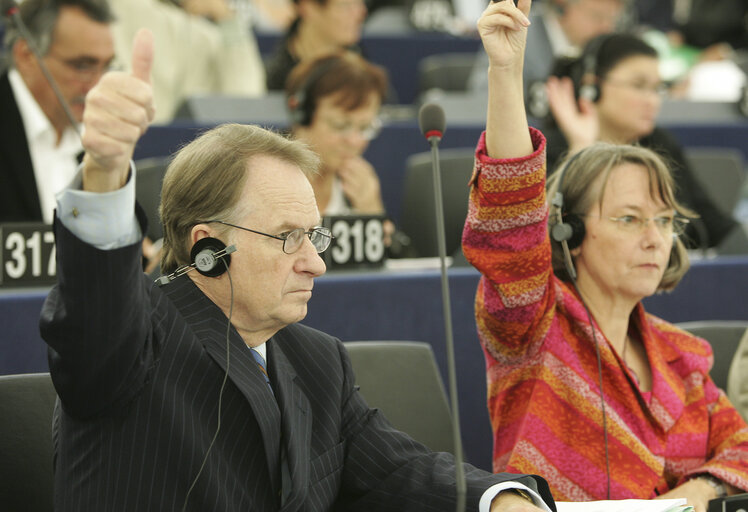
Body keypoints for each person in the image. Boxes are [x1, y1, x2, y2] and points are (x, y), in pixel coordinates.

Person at [39, 27, 556, 511]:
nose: (318, 264)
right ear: (209, 245)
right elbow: (95, 301)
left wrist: (503, 498)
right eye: (289, 238)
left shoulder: (317, 360)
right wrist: (104, 172)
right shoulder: (133, 338)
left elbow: (401, 470)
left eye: (315, 235)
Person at [463, 0, 748, 509]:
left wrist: (701, 490)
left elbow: (741, 447)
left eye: (664, 221)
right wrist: (505, 72)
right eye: (629, 218)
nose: (655, 239)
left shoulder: (681, 357)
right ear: (569, 230)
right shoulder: (532, 326)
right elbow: (509, 222)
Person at [544, 33, 748, 251]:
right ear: (592, 87)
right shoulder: (552, 149)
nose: (653, 101)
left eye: (657, 89)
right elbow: (548, 238)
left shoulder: (659, 144)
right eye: (639, 86)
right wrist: (581, 148)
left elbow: (713, 226)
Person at [0, 0, 115, 223]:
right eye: (83, 66)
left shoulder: (103, 135)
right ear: (26, 55)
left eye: (107, 66)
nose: (98, 85)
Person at [109, 0, 266, 123]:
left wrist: (227, 19)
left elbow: (247, 100)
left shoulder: (205, 33)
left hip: (191, 150)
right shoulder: (114, 12)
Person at [468, 0, 626, 116]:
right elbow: (484, 103)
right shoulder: (515, 34)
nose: (607, 28)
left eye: (613, 20)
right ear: (562, 8)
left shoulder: (605, 49)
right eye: (597, 17)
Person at [285, 51, 387, 216]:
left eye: (365, 128)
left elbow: (387, 241)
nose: (354, 141)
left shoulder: (360, 188)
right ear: (302, 115)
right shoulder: (267, 185)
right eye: (340, 125)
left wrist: (372, 212)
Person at [264, 0, 367, 91]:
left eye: (360, 3)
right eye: (345, 5)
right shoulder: (275, 79)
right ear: (308, 7)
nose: (361, 13)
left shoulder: (361, 63)